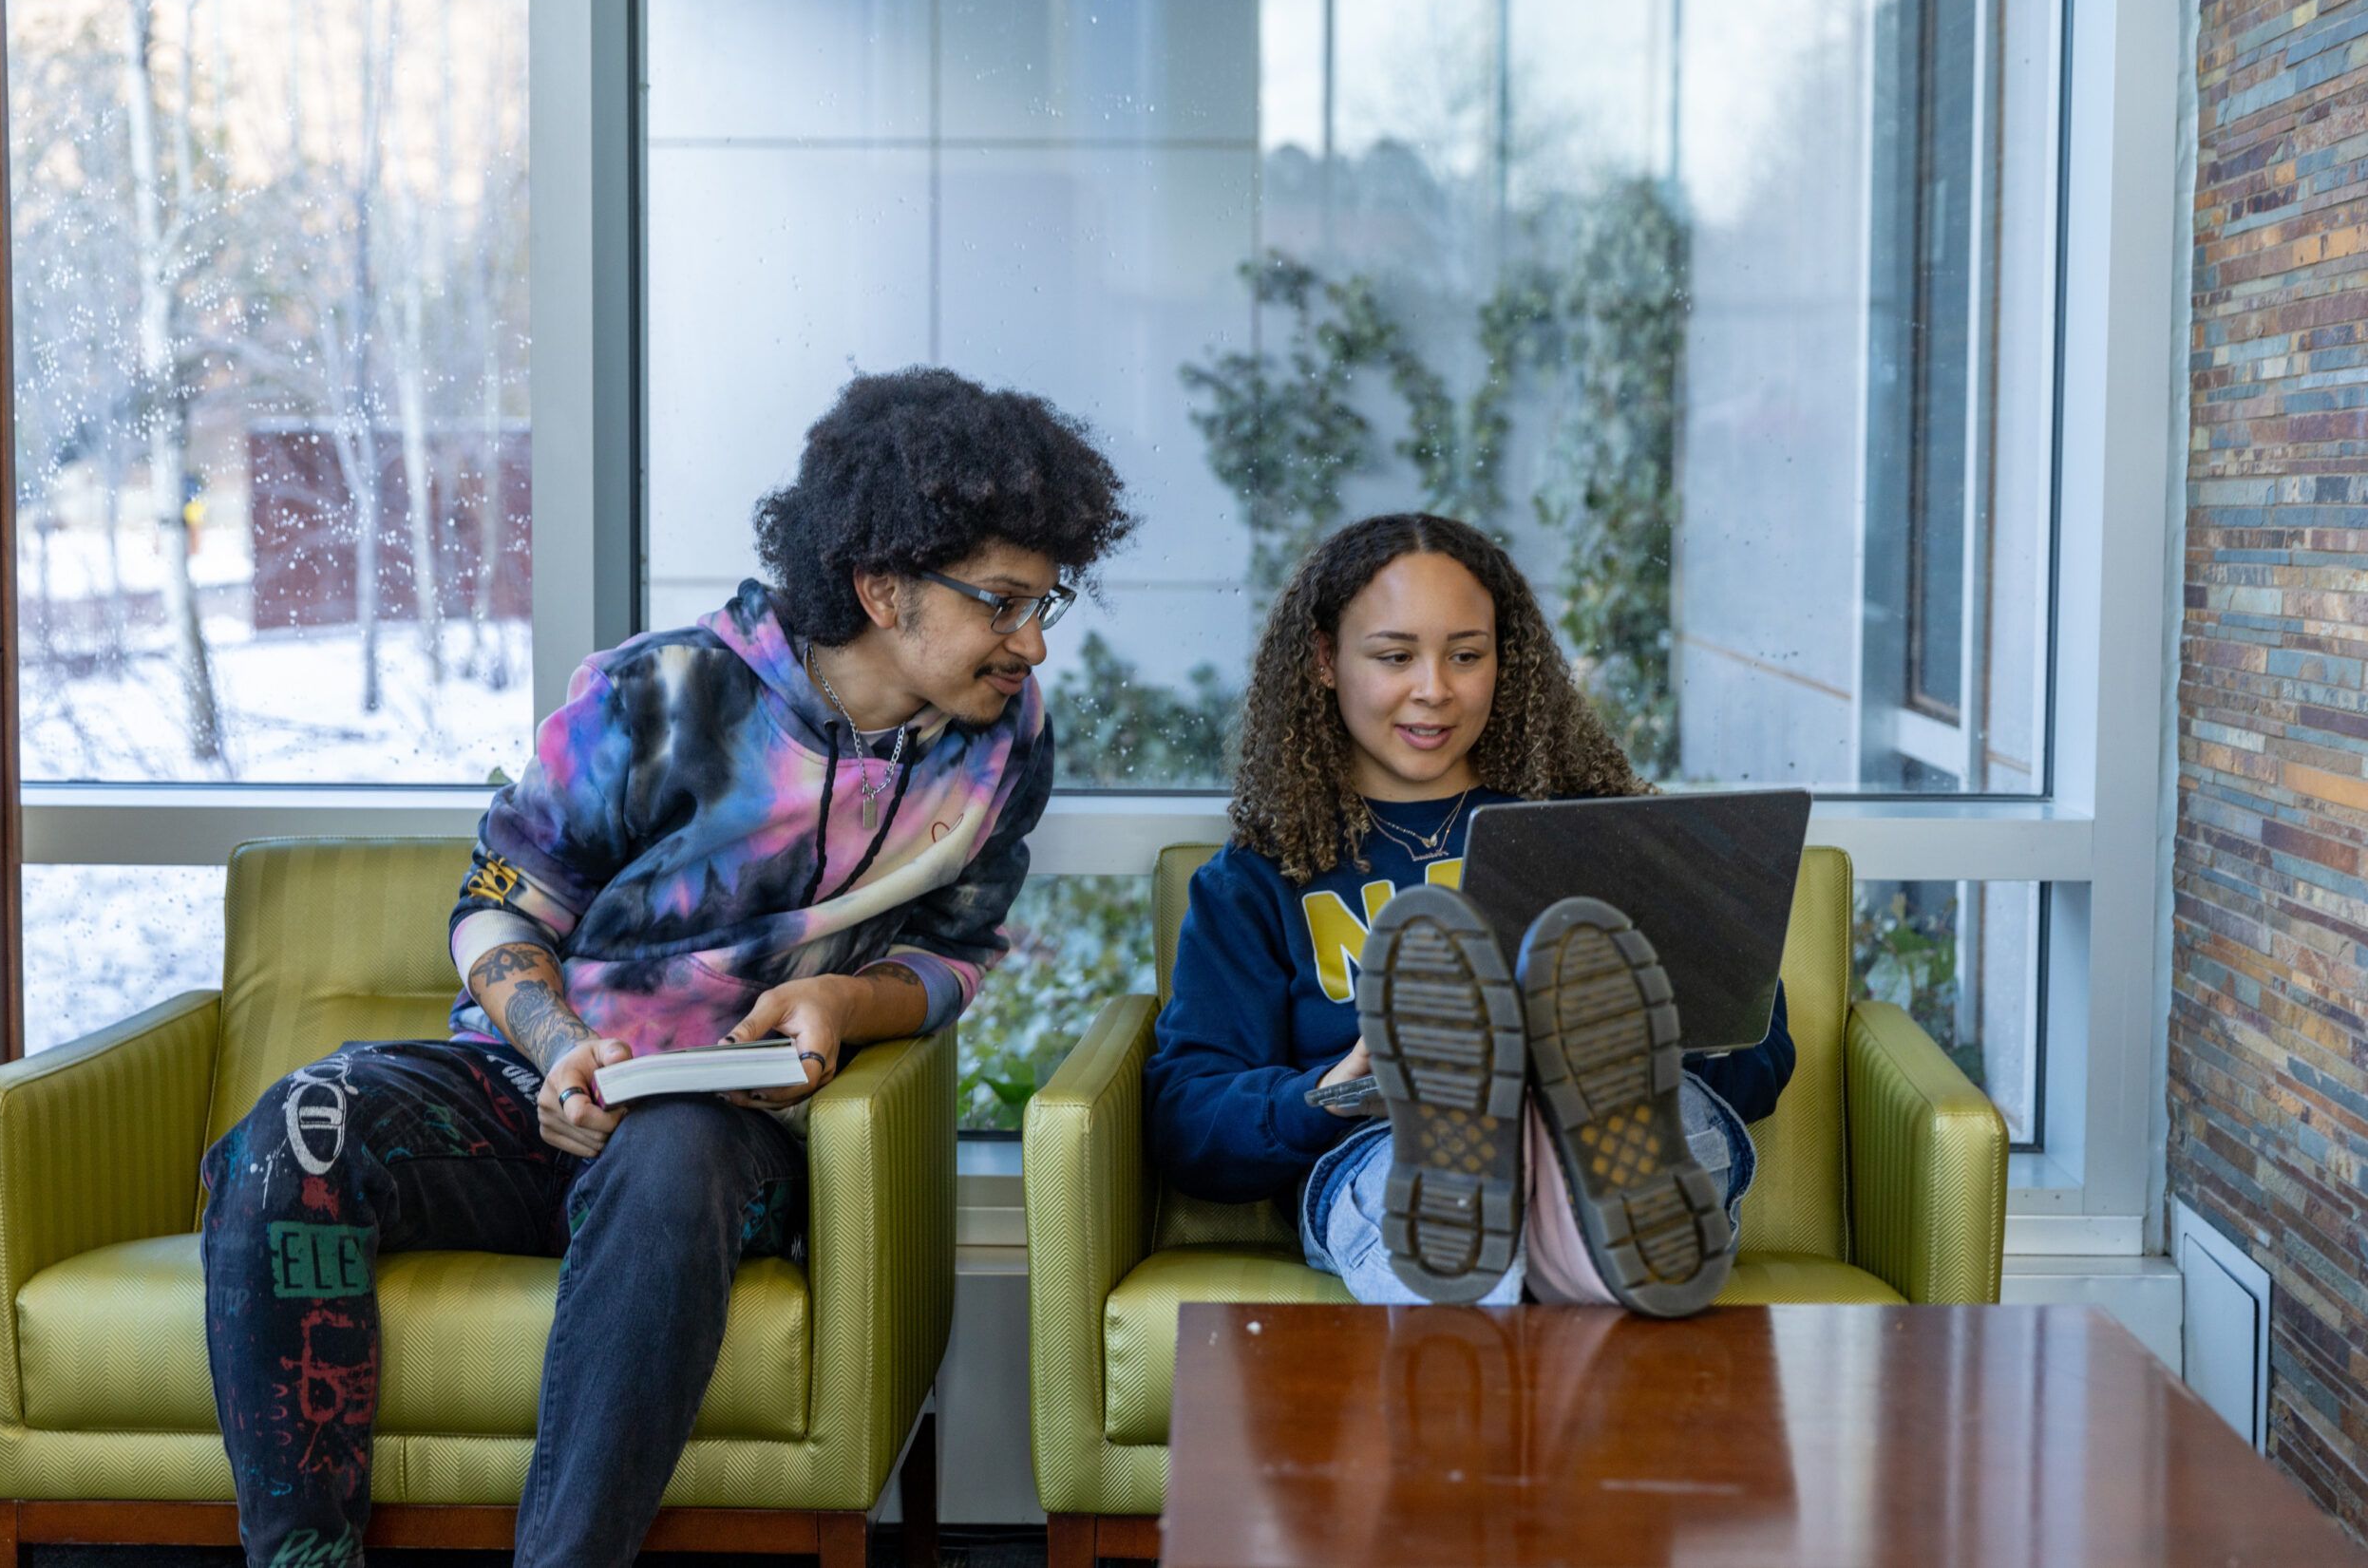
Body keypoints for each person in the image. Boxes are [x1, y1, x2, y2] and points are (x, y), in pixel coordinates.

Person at [199, 368, 1134, 1568]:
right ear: (882, 586)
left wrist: (842, 1000)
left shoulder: (1007, 739)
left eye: (1045, 603)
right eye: (1002, 604)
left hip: (728, 1134)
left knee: (673, 1148)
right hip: (539, 1086)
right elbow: (499, 907)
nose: (1032, 642)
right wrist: (558, 1049)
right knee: (296, 1130)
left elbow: (954, 952)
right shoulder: (662, 696)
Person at [1143, 513, 1794, 1313]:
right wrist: (1336, 1086)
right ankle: (1523, 1227)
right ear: (1323, 659)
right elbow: (1190, 1122)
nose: (1434, 688)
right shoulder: (1257, 879)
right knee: (1419, 1178)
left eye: (1465, 654)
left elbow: (1763, 1056)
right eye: (1395, 656)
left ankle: (1569, 1221)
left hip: (1620, 1129)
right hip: (1389, 1145)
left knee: (1672, 1117)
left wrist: (1657, 1039)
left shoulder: (1601, 833)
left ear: (1503, 660)